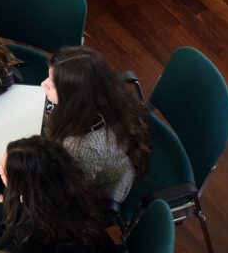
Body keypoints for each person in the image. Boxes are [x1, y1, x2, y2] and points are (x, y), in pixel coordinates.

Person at [42, 46, 151, 203]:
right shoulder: (101, 95)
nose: (42, 85)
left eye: (52, 84)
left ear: (73, 96)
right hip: (107, 164)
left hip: (97, 194)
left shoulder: (83, 146)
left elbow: (70, 190)